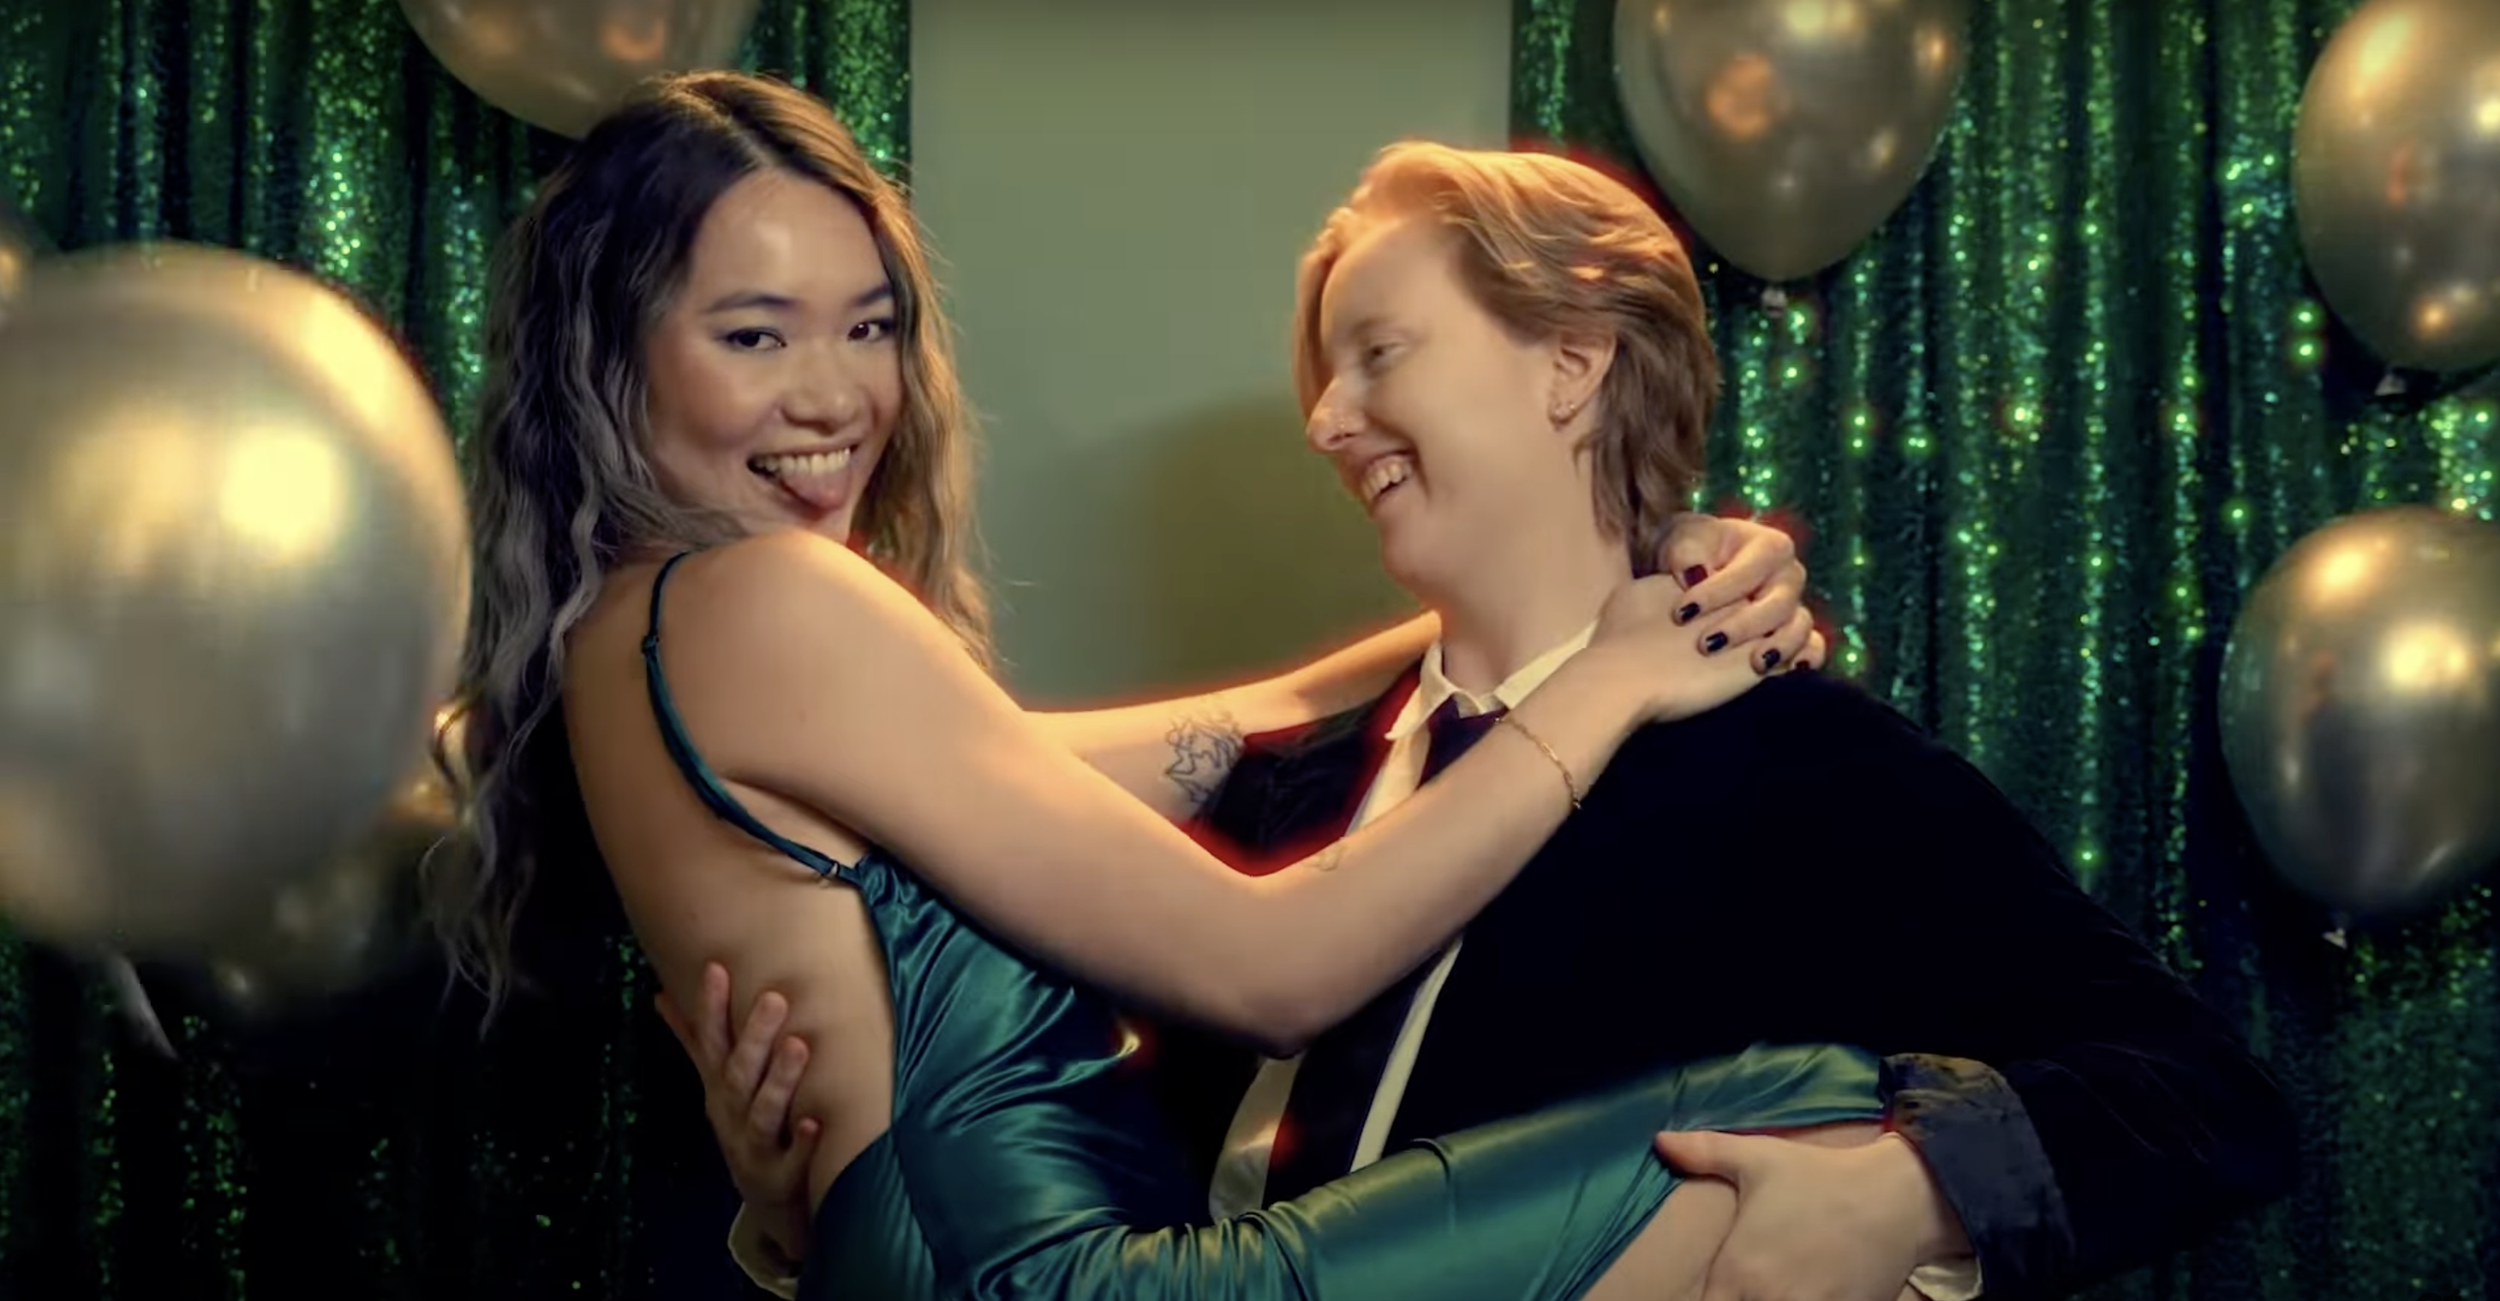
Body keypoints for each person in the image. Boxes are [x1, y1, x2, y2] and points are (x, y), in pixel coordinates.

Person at [687, 139, 2302, 1299]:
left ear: (1571, 366)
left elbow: (2203, 1094)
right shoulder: (1273, 798)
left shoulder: (1796, 764)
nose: (1328, 420)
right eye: (1325, 374)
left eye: (1379, 353)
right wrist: (800, 1209)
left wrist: (1909, 1193)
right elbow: (1093, 1200)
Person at [433, 70, 1860, 1301]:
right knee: (1829, 1116)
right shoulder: (770, 599)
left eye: (868, 327)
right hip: (1076, 1280)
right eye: (755, 335)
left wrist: (1636, 581)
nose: (835, 397)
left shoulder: (630, 637)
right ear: (611, 354)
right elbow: (1275, 974)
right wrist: (1609, 681)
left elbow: (1222, 731)